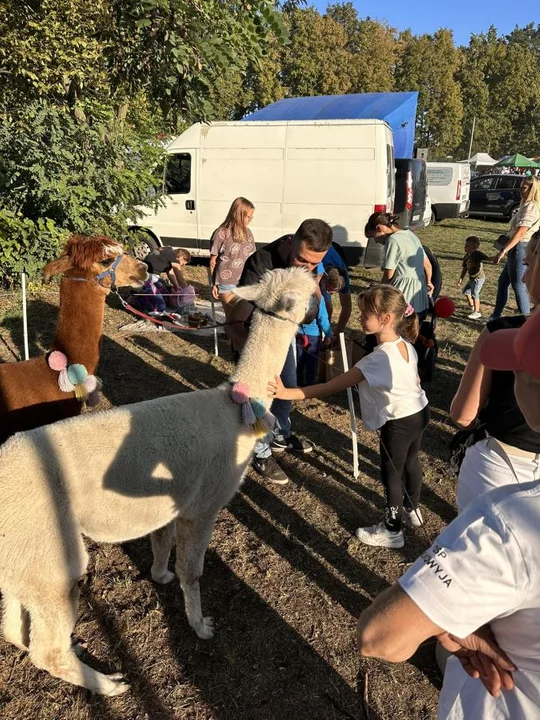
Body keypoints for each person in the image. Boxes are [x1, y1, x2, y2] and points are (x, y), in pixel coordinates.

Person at [268, 285, 429, 547]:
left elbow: (329, 387)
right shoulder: (406, 346)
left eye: (365, 313)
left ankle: (392, 530)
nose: (360, 317)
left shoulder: (373, 361)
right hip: (420, 413)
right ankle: (413, 511)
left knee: (392, 473)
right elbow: (415, 379)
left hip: (399, 422)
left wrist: (286, 393)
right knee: (411, 461)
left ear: (385, 319)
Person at [225, 219, 333, 485]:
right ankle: (260, 451)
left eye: (312, 264)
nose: (305, 267)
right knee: (256, 397)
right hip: (256, 340)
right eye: (301, 259)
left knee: (286, 390)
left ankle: (280, 434)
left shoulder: (309, 264)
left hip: (284, 341)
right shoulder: (261, 262)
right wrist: (241, 344)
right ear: (291, 241)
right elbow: (242, 308)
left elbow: (312, 301)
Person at [450, 233, 540, 512]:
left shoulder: (501, 332)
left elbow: (463, 415)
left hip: (498, 464)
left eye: (528, 264)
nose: (523, 278)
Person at [364, 212, 434, 320]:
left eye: (374, 236)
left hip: (403, 294)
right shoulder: (410, 234)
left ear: (379, 228)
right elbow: (427, 265)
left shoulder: (393, 240)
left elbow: (388, 275)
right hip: (419, 296)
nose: (376, 241)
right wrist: (428, 282)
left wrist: (380, 292)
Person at [490, 176, 540, 320]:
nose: (520, 189)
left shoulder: (531, 206)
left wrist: (503, 250)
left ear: (533, 189)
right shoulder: (526, 203)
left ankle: (526, 320)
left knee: (518, 285)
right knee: (503, 282)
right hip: (516, 247)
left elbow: (521, 232)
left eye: (524, 187)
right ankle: (496, 316)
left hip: (520, 246)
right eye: (521, 186)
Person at [209, 197, 255, 314]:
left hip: (244, 281)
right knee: (232, 315)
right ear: (239, 214)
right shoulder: (221, 233)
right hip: (225, 281)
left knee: (242, 316)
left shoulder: (248, 233)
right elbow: (213, 261)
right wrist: (214, 284)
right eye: (248, 217)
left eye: (251, 217)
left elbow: (251, 257)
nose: (250, 220)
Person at [135, 247, 191, 313]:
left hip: (149, 276)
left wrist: (176, 287)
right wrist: (187, 292)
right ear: (181, 258)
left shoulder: (168, 253)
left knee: (167, 298)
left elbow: (170, 273)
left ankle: (146, 296)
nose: (182, 266)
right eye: (183, 263)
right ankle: (135, 300)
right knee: (160, 307)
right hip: (144, 278)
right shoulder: (174, 256)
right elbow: (179, 277)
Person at [296, 293, 332, 387]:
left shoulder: (299, 295)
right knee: (312, 362)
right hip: (313, 336)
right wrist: (328, 334)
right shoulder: (319, 298)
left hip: (298, 333)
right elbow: (323, 319)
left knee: (298, 359)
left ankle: (297, 382)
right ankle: (310, 384)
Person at [320, 244, 352, 336]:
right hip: (321, 248)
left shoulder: (343, 275)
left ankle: (326, 333)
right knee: (325, 304)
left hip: (332, 255)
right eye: (328, 290)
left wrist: (339, 331)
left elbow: (347, 306)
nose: (330, 294)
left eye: (334, 292)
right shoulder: (319, 267)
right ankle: (324, 332)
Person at [457, 235, 491, 320]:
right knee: (466, 291)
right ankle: (471, 306)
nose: (465, 247)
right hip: (471, 278)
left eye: (467, 245)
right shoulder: (466, 256)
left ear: (474, 247)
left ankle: (477, 312)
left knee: (475, 294)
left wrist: (496, 258)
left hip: (478, 278)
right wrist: (461, 278)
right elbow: (465, 268)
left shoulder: (478, 254)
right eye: (465, 245)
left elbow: (488, 259)